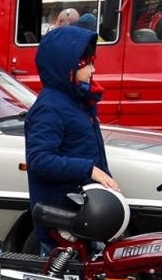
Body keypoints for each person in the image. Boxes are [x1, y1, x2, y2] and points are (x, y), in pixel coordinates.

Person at [24, 24, 118, 254]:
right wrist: (90, 170)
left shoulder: (75, 101)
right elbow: (40, 160)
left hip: (83, 215)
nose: (93, 70)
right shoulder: (50, 108)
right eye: (86, 64)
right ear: (66, 67)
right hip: (65, 221)